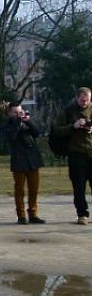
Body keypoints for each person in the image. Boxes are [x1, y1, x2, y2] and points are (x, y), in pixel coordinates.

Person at [52, 86, 92, 225]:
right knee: (79, 186)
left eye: (87, 101)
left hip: (91, 152)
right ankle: (82, 214)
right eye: (82, 100)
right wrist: (73, 126)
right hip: (76, 153)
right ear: (77, 98)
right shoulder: (68, 110)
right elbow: (56, 130)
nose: (85, 103)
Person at [5, 102, 45, 224]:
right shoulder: (8, 124)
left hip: (32, 159)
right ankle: (21, 215)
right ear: (10, 113)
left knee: (34, 189)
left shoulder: (26, 122)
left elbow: (37, 133)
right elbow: (12, 136)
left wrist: (28, 121)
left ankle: (33, 214)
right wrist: (18, 121)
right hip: (19, 160)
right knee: (19, 190)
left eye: (20, 111)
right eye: (15, 112)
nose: (18, 114)